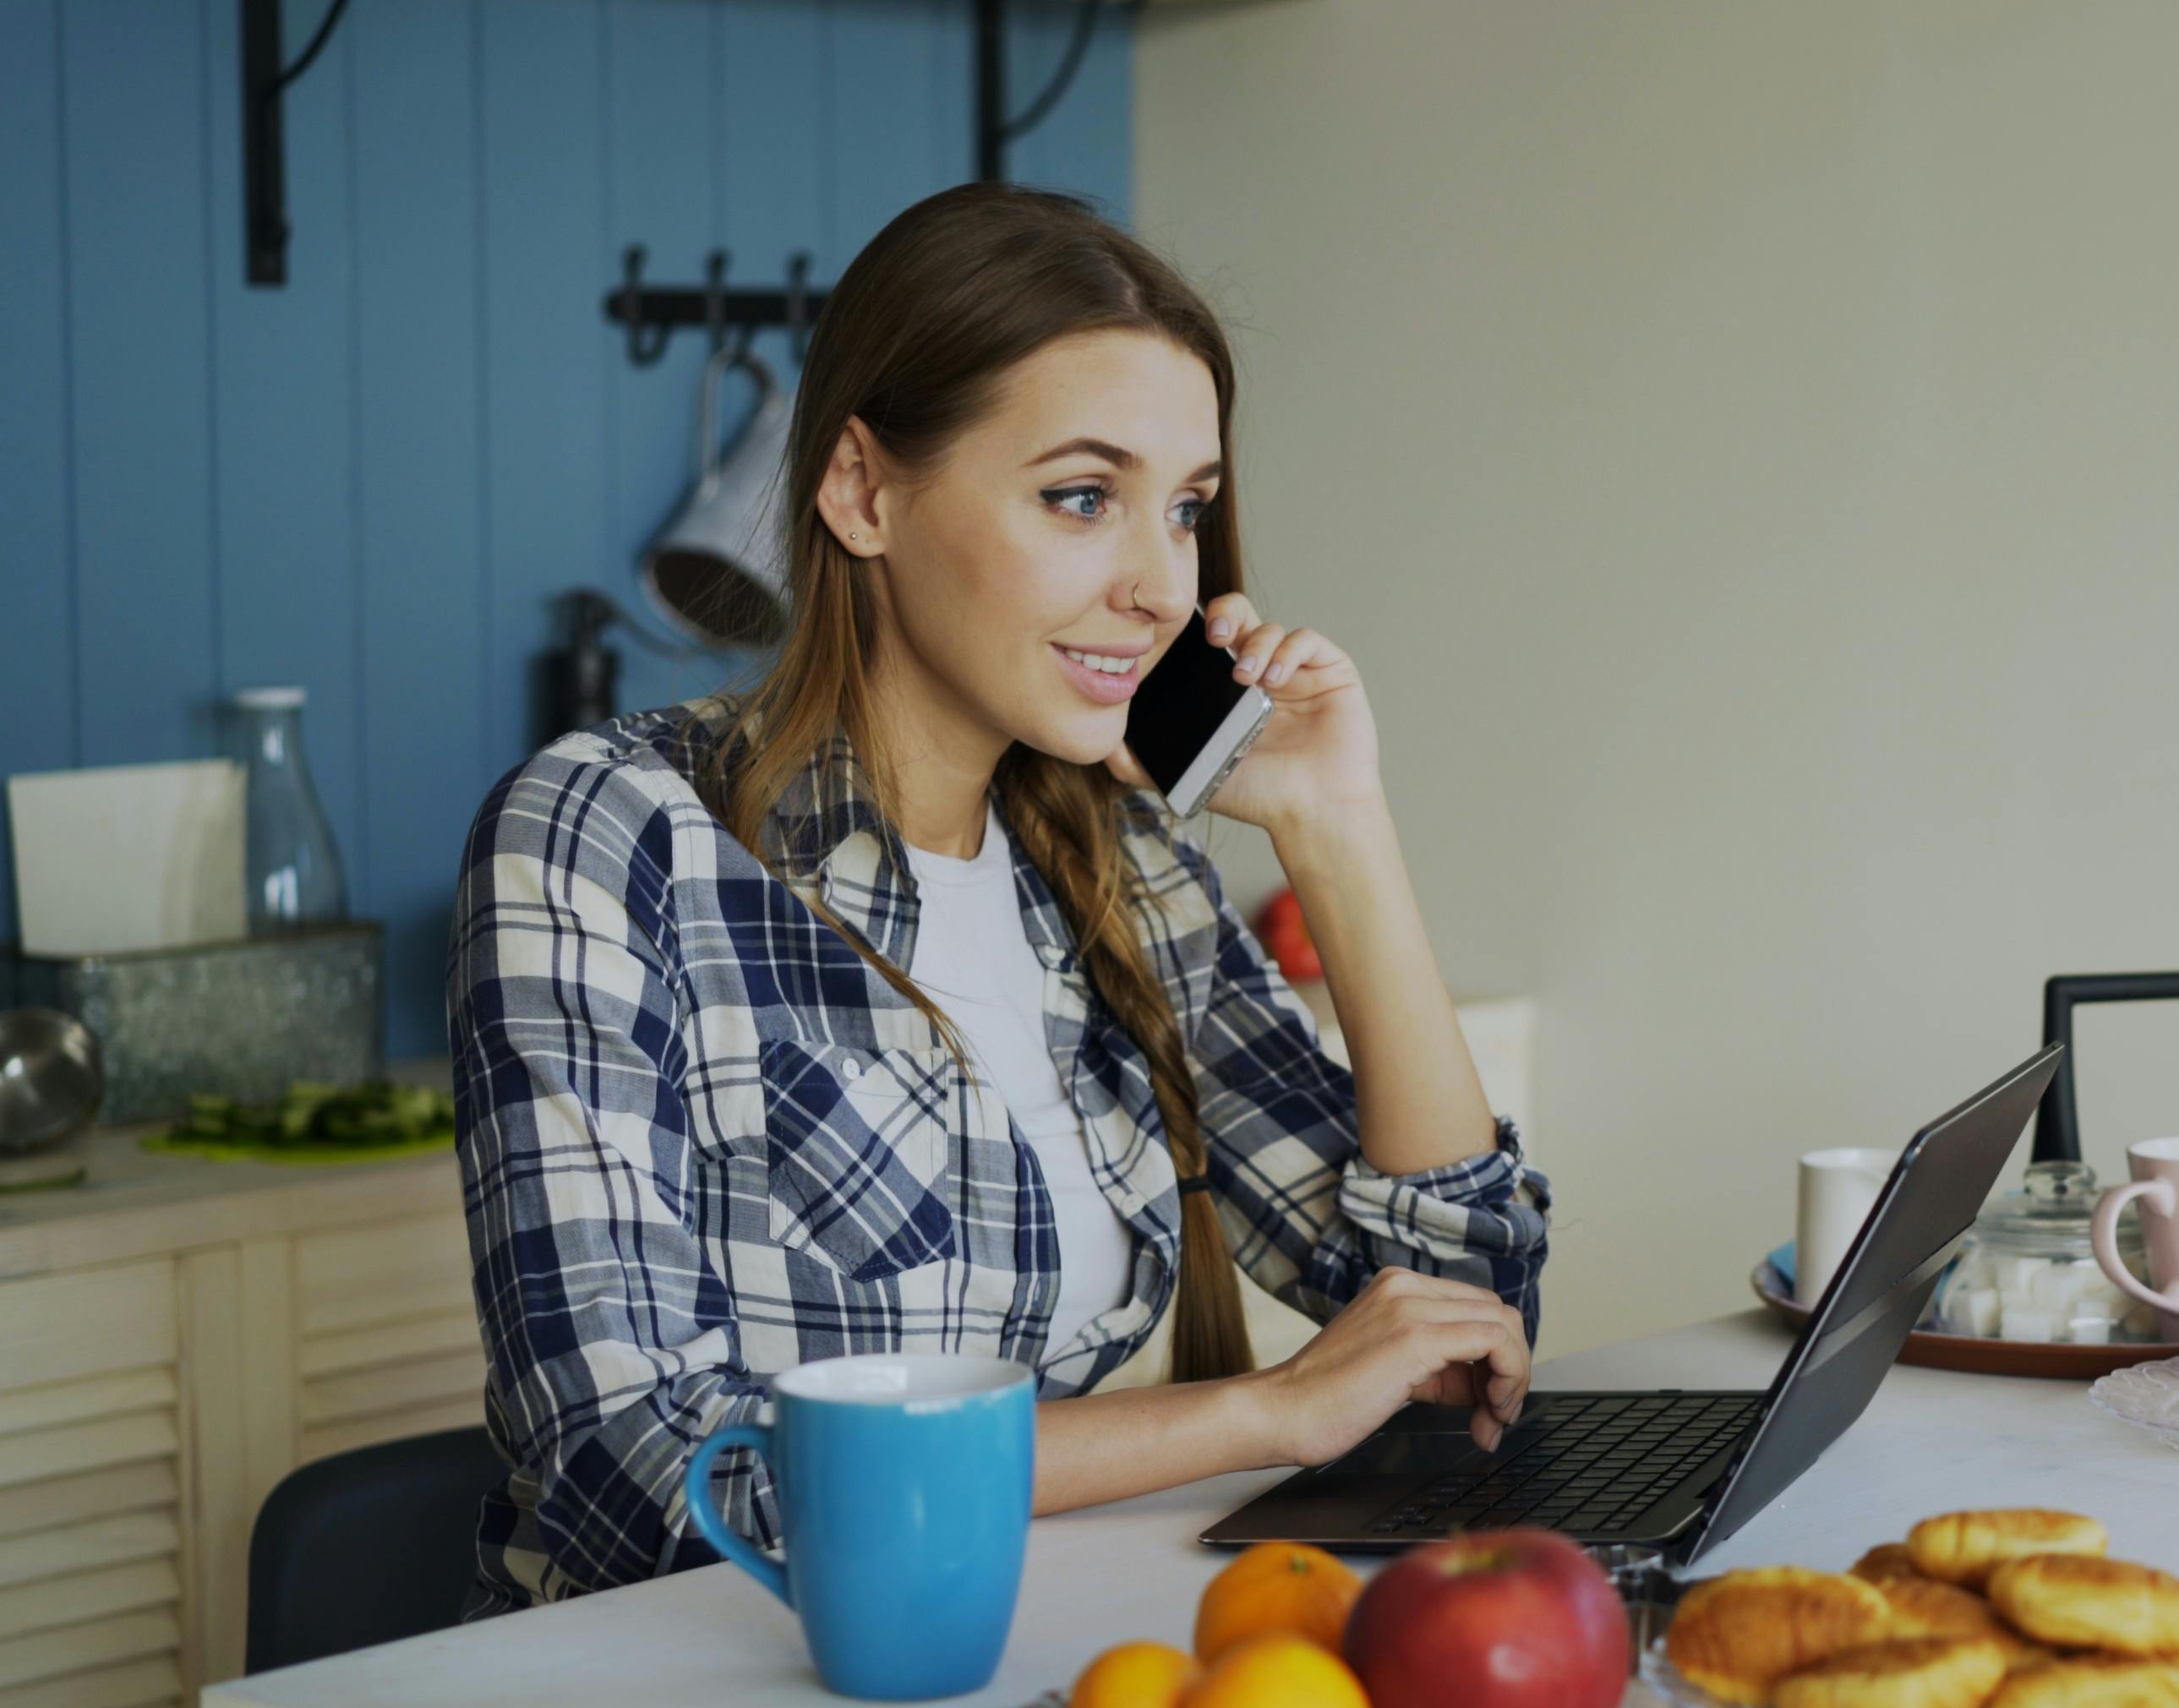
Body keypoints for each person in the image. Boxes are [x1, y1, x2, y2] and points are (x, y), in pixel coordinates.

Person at [449, 184, 1547, 1613]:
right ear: (862, 491)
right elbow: (637, 1475)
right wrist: (1256, 1416)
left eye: (1189, 509)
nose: (1161, 585)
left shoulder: (1123, 866)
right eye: (1082, 497)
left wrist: (1338, 829)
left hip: (1037, 1645)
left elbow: (1461, 1334)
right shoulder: (611, 837)